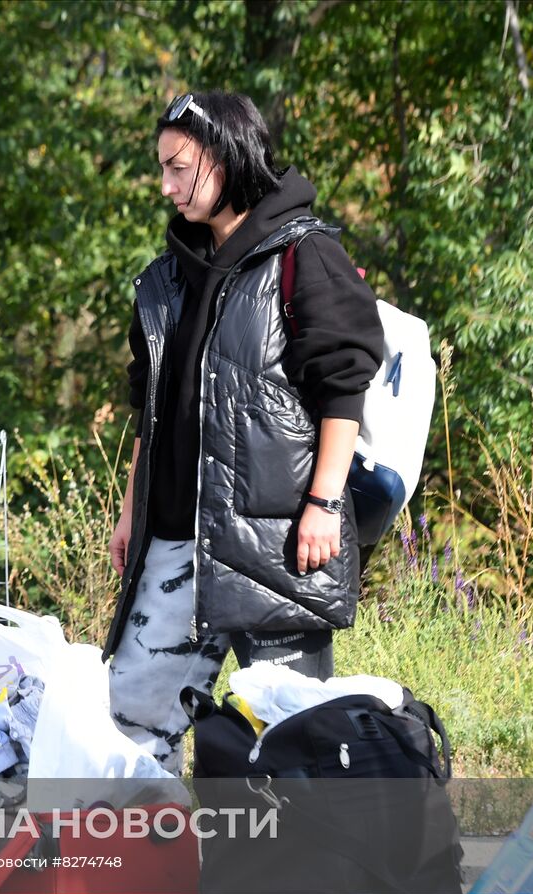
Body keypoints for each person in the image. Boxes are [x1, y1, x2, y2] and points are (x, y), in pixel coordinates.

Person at [103, 90, 383, 775]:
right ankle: (148, 877)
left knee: (291, 743)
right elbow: (152, 405)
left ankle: (296, 882)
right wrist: (131, 511)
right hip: (174, 541)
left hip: (276, 545)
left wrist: (322, 504)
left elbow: (343, 387)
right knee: (130, 729)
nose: (165, 186)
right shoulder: (169, 278)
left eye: (178, 167)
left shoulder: (303, 254)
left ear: (225, 160)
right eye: (161, 169)